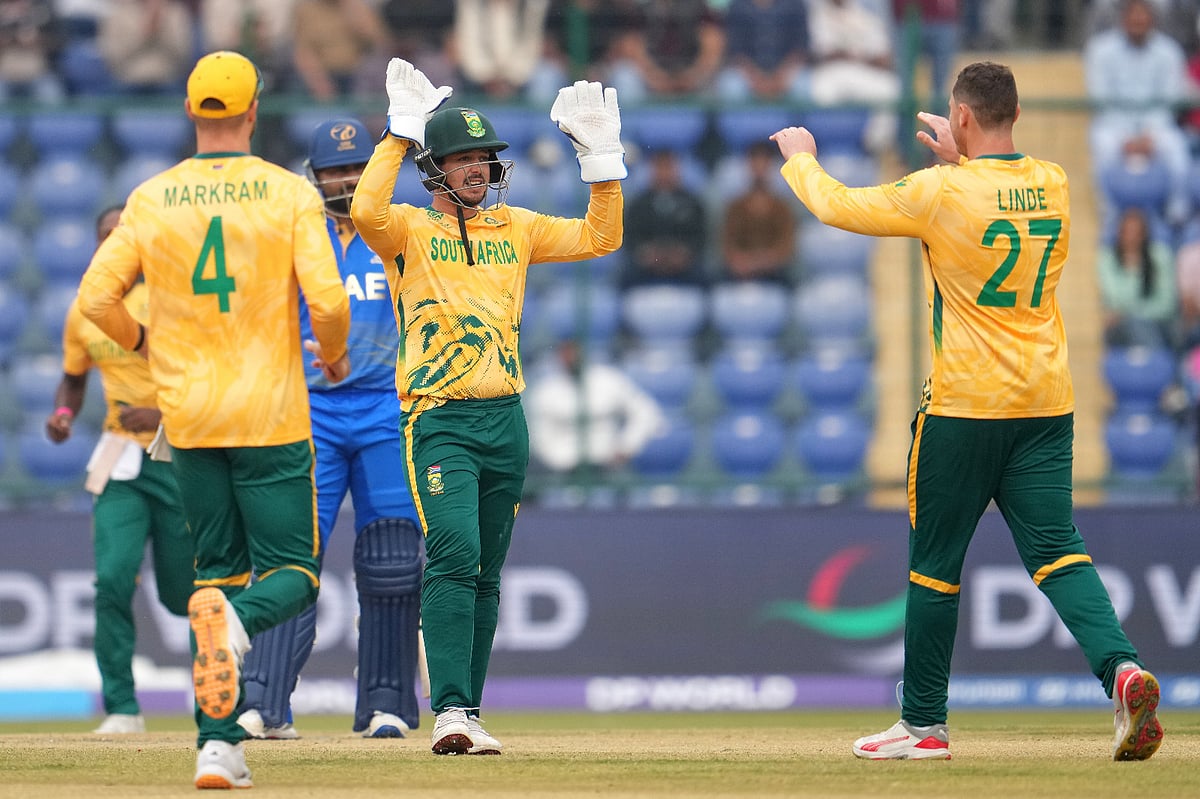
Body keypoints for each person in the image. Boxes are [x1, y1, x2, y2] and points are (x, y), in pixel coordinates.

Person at [770, 60, 1164, 761]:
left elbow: (839, 207)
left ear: (960, 118)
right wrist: (964, 164)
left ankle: (923, 724)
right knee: (1057, 550)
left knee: (935, 566)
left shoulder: (939, 192)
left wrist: (801, 162)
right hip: (1045, 403)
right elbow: (997, 199)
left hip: (964, 407)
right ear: (1013, 114)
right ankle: (1123, 670)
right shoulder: (1054, 181)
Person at [75, 50, 352, 789]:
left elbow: (95, 300)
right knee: (292, 573)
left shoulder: (151, 197)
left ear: (193, 113)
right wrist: (332, 357)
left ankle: (218, 746)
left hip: (188, 419)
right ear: (254, 111)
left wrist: (144, 343)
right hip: (269, 413)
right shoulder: (287, 193)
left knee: (214, 576)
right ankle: (233, 629)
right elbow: (327, 303)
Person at [350, 57, 625, 754]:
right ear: (435, 167)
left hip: (506, 419)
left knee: (486, 572)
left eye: (485, 157)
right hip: (438, 418)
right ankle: (446, 709)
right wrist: (398, 134)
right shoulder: (409, 231)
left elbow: (602, 235)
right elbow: (363, 211)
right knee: (455, 553)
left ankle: (467, 711)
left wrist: (603, 163)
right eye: (463, 158)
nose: (478, 168)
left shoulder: (518, 229)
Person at [236, 116, 424, 742]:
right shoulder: (291, 234)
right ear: (313, 178)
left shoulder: (398, 228)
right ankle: (263, 702)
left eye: (356, 169)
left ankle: (387, 704)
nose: (346, 181)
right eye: (334, 171)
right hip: (307, 411)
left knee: (393, 558)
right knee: (288, 558)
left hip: (384, 409)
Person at [45, 204, 193, 736]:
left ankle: (215, 700)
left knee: (188, 594)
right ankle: (122, 707)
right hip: (118, 458)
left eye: (124, 237)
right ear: (95, 249)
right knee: (111, 579)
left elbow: (209, 379)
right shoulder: (84, 310)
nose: (116, 247)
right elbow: (73, 377)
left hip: (177, 455)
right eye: (107, 239)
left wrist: (163, 412)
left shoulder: (177, 301)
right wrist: (63, 413)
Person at [1084, 0, 1191, 223]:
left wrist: (1148, 136)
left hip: (1157, 127)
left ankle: (1177, 215)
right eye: (1133, 15)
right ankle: (1110, 215)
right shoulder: (1100, 50)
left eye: (1143, 15)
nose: (1138, 21)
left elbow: (1169, 101)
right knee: (1103, 145)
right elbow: (1101, 99)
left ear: (1152, 18)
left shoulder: (1169, 51)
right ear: (1123, 17)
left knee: (1178, 150)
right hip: (1113, 126)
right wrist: (1126, 138)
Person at [524, 338, 665, 475]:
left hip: (610, 467)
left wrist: (626, 446)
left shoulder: (610, 380)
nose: (570, 357)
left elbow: (646, 413)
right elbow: (541, 438)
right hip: (564, 471)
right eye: (565, 352)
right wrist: (562, 462)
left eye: (573, 350)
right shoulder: (546, 390)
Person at [618, 148, 709, 289]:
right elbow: (630, 236)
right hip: (646, 265)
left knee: (705, 278)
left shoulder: (692, 202)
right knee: (624, 277)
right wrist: (646, 254)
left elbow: (701, 236)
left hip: (684, 265)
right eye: (660, 167)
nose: (664, 174)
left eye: (668, 167)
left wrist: (684, 254)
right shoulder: (639, 204)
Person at [1097, 206, 1179, 349]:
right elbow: (1115, 299)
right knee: (1134, 327)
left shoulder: (1160, 257)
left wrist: (1132, 313)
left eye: (1137, 233)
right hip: (1120, 328)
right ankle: (1153, 364)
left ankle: (1151, 363)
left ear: (1145, 234)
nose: (1132, 238)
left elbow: (1166, 304)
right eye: (1127, 232)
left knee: (1140, 326)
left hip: (1159, 325)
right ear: (1119, 234)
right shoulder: (1107, 260)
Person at [718, 140, 797, 285]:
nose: (759, 168)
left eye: (764, 162)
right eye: (755, 162)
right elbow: (728, 244)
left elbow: (785, 246)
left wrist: (764, 262)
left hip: (774, 272)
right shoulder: (735, 207)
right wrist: (740, 262)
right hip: (739, 272)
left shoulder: (782, 208)